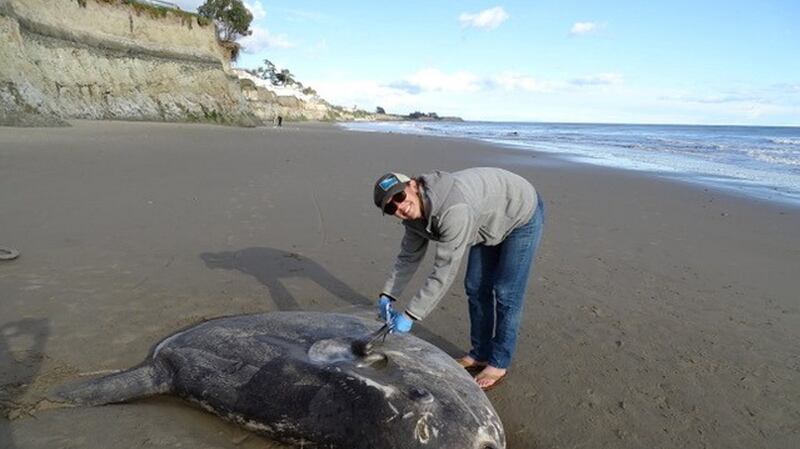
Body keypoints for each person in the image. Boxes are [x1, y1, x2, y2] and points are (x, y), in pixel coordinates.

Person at [373, 167, 545, 390]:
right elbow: (408, 258)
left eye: (399, 196)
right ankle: (480, 354)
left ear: (413, 186)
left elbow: (444, 271)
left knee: (506, 292)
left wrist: (409, 316)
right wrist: (388, 294)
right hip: (487, 220)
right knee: (475, 286)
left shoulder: (453, 210)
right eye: (390, 207)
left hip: (520, 212)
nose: (399, 206)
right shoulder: (413, 217)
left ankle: (499, 362)